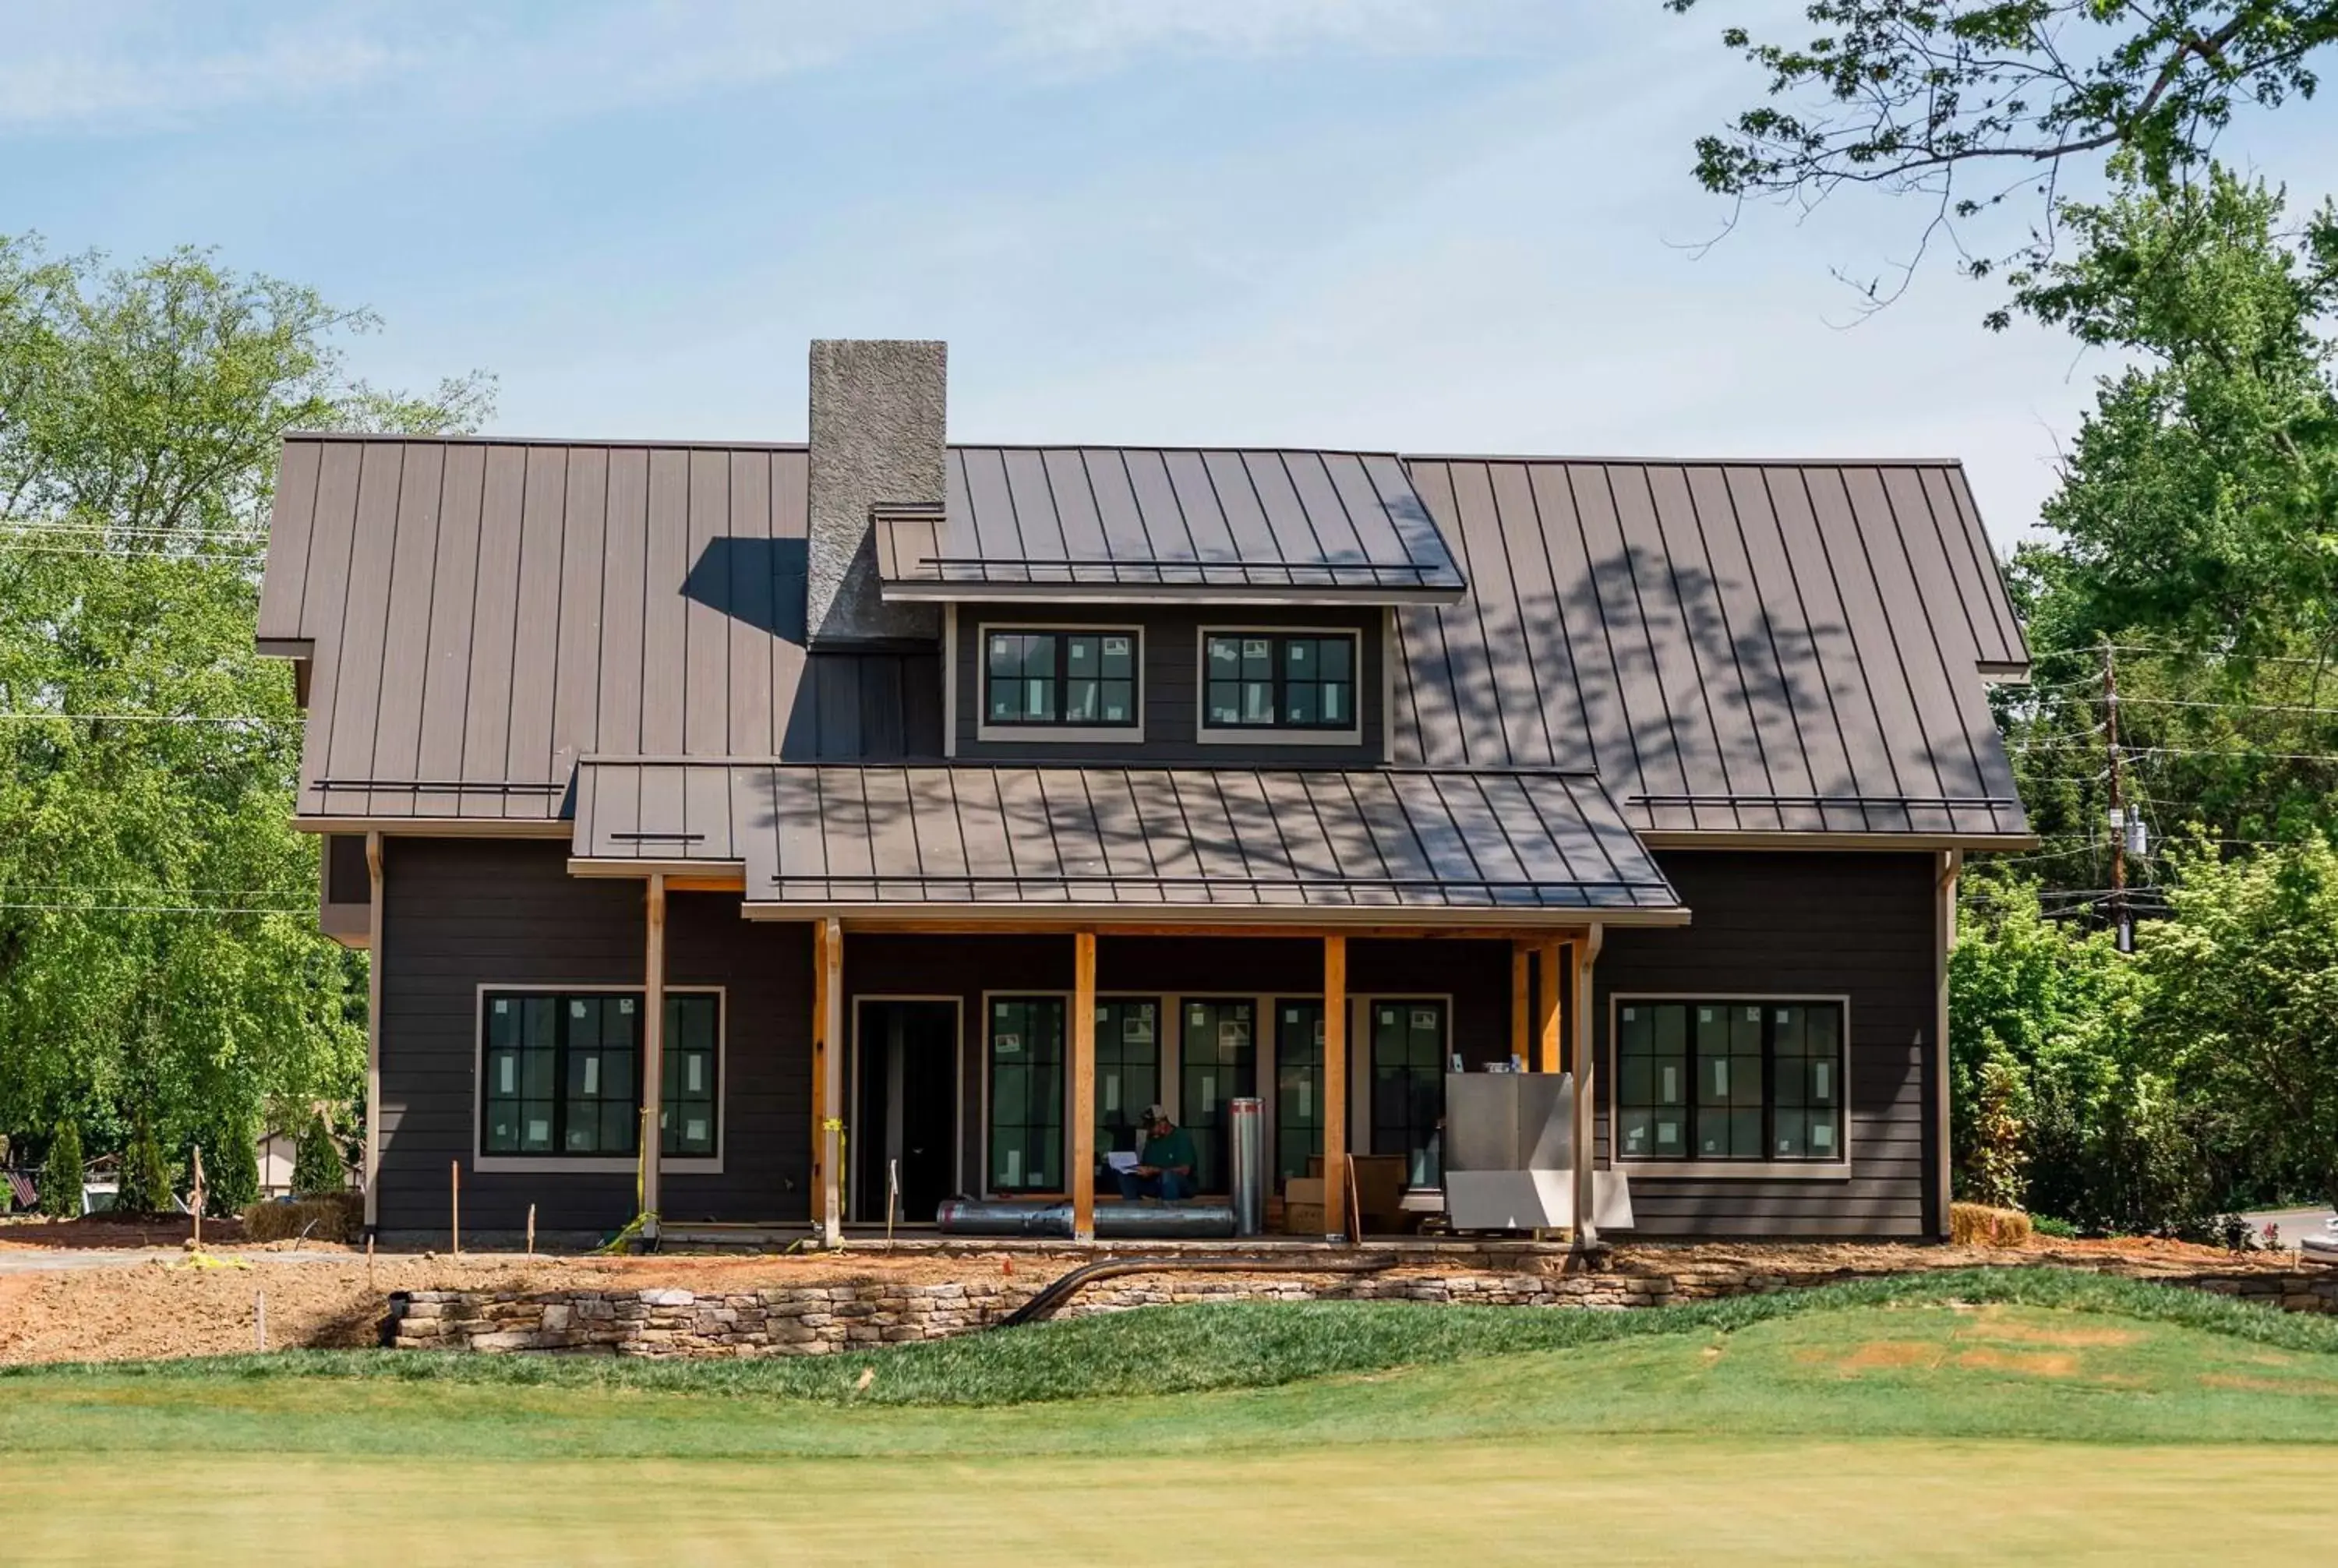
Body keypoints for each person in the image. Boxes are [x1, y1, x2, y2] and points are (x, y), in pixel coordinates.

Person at [1116, 1104, 1196, 1202]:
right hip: (1155, 1181)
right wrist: (1141, 1170)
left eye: (1151, 1126)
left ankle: (1170, 1213)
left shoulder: (1181, 1137)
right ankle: (1135, 1211)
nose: (1148, 1129)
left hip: (1180, 1183)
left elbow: (1185, 1170)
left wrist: (1155, 1170)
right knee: (1125, 1176)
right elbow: (1146, 1164)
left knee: (1167, 1176)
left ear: (1162, 1123)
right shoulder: (1152, 1140)